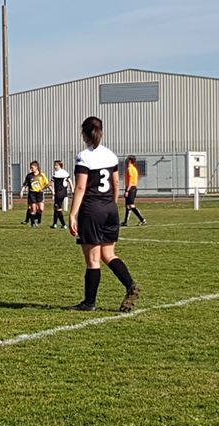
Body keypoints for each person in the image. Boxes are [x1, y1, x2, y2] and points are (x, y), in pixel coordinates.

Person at [68, 116, 140, 312]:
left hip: (92, 209)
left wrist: (73, 214)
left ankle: (89, 303)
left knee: (93, 259)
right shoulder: (111, 155)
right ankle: (130, 285)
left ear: (84, 133)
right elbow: (116, 183)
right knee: (108, 254)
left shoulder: (84, 156)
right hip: (110, 208)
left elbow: (81, 187)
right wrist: (112, 204)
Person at [20, 161, 51, 228]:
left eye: (32, 167)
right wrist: (22, 191)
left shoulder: (42, 175)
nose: (31, 169)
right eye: (30, 167)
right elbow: (25, 184)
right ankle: (33, 223)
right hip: (32, 193)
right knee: (33, 209)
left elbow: (48, 184)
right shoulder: (29, 175)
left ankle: (37, 220)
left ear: (36, 167)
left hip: (40, 193)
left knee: (41, 209)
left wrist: (47, 190)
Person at [120, 155, 147, 227]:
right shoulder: (134, 169)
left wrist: (127, 190)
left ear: (129, 161)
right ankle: (125, 222)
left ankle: (142, 220)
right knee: (128, 206)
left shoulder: (130, 169)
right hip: (133, 188)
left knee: (131, 205)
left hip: (131, 188)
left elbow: (131, 181)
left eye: (127, 160)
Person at [50, 160, 73, 229]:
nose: (55, 166)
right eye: (54, 165)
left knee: (58, 208)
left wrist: (44, 187)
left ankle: (64, 224)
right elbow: (70, 180)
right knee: (56, 208)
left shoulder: (57, 173)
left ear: (60, 166)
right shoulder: (65, 172)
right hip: (64, 193)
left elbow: (50, 183)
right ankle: (54, 224)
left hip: (59, 193)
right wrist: (72, 189)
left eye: (56, 165)